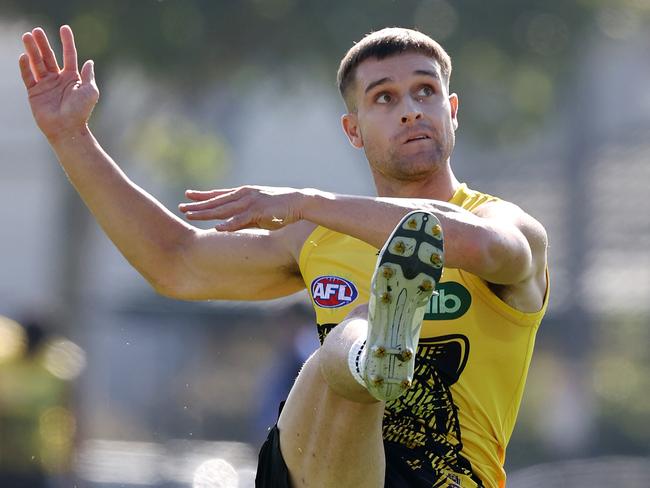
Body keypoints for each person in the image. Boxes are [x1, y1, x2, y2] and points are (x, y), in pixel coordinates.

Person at [20, 25, 548, 487]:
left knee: (351, 326)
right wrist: (71, 137)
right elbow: (175, 262)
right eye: (384, 98)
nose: (410, 109)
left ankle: (372, 345)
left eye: (425, 91)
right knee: (348, 335)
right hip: (314, 468)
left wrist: (305, 201)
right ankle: (373, 352)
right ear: (354, 130)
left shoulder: (505, 222)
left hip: (443, 478)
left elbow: (480, 247)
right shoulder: (316, 238)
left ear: (450, 111)